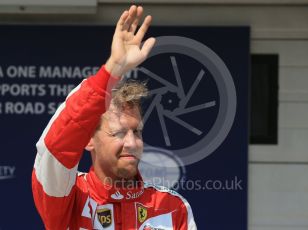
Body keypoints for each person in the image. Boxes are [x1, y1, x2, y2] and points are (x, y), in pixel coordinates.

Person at [32, 5, 197, 230]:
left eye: (136, 131)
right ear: (88, 139)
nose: (131, 143)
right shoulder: (67, 195)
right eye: (119, 132)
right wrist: (113, 70)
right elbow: (55, 148)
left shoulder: (171, 206)